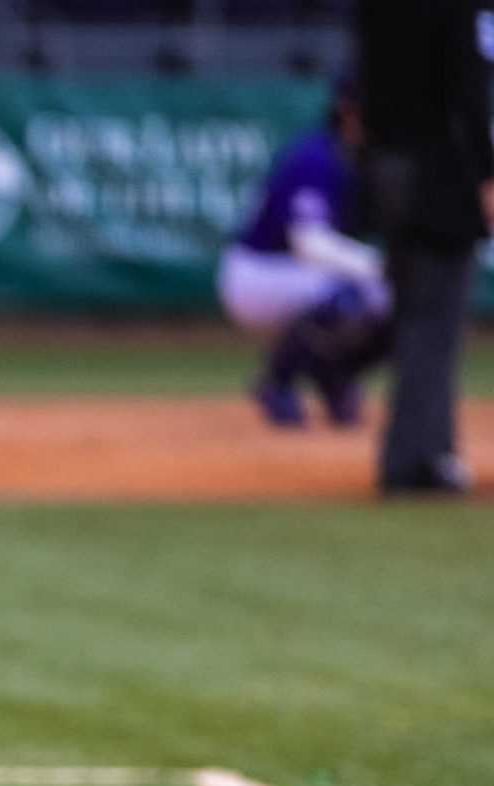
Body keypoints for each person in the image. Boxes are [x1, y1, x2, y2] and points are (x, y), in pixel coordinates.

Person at [357, 0, 494, 495]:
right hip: (439, 176)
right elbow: (467, 89)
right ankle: (419, 460)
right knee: (436, 321)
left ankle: (421, 449)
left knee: (416, 315)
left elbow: (365, 85)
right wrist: (486, 173)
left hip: (388, 170)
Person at [219, 76, 391, 430]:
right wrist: (378, 266)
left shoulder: (359, 158)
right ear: (348, 110)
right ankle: (278, 381)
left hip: (300, 272)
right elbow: (309, 243)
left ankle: (336, 374)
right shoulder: (315, 156)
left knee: (401, 299)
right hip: (259, 271)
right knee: (350, 297)